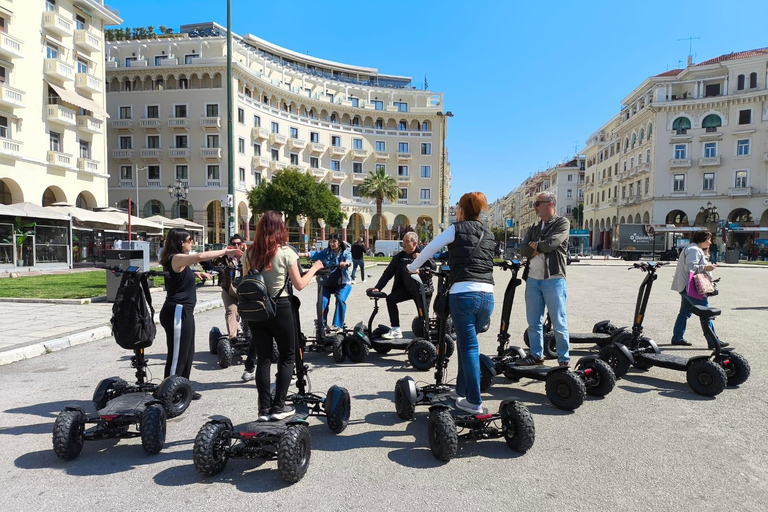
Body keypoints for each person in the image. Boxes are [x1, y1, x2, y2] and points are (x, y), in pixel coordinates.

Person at [407, 192, 495, 415]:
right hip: (488, 296)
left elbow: (430, 248)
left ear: (461, 210)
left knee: (469, 347)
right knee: (468, 345)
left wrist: (412, 267)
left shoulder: (456, 228)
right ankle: (461, 392)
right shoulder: (488, 233)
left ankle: (474, 402)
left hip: (464, 295)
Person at [243, 211, 324, 421]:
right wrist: (315, 268)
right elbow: (299, 284)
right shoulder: (286, 253)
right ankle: (278, 407)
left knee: (263, 359)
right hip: (281, 307)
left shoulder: (249, 253)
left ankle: (263, 410)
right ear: (280, 229)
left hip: (257, 311)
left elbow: (247, 284)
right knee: (287, 357)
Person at [158, 228, 243, 399]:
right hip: (177, 311)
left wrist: (195, 273)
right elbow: (200, 256)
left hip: (185, 312)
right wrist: (226, 251)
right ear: (180, 242)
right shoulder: (175, 257)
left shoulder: (180, 262)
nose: (192, 242)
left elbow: (180, 275)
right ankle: (168, 394)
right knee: (177, 355)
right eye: (189, 240)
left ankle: (183, 387)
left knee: (187, 352)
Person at [518, 191, 571, 367]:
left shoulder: (562, 223)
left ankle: (563, 360)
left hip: (553, 279)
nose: (534, 207)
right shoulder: (534, 227)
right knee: (534, 322)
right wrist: (537, 247)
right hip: (533, 280)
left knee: (558, 321)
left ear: (549, 203)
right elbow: (523, 250)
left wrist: (535, 246)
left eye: (537, 203)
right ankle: (536, 355)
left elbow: (551, 244)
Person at [369, 231, 435, 339]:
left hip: (422, 291)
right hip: (407, 289)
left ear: (414, 243)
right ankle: (396, 329)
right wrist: (378, 287)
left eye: (406, 241)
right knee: (391, 299)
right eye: (403, 241)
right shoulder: (399, 257)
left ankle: (426, 337)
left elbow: (433, 268)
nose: (403, 244)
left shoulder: (423, 254)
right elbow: (388, 273)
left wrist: (423, 260)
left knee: (423, 318)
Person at [670, 229, 726, 348]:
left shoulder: (691, 248)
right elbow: (691, 267)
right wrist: (706, 268)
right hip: (691, 287)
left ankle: (677, 337)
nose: (710, 242)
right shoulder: (694, 250)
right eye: (708, 239)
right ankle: (713, 341)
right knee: (705, 312)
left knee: (684, 313)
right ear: (702, 239)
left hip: (685, 286)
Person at [309, 233, 352, 332]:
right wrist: (302, 254)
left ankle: (338, 325)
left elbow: (349, 260)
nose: (332, 243)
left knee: (340, 299)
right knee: (322, 302)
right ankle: (322, 324)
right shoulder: (326, 252)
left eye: (334, 241)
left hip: (343, 283)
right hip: (327, 282)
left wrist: (345, 263)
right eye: (330, 241)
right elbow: (315, 254)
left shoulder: (345, 252)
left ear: (339, 242)